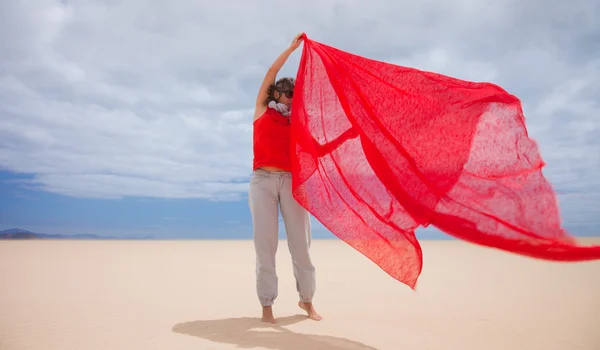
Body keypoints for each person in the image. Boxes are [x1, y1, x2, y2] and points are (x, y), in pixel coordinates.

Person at [249, 32, 321, 324]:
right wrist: (292, 49)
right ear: (276, 94)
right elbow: (271, 72)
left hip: (292, 182)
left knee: (301, 247)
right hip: (262, 181)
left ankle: (307, 301)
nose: (292, 98)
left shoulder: (298, 122)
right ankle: (267, 306)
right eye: (288, 93)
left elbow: (316, 146)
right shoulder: (261, 111)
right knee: (265, 247)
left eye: (295, 94)